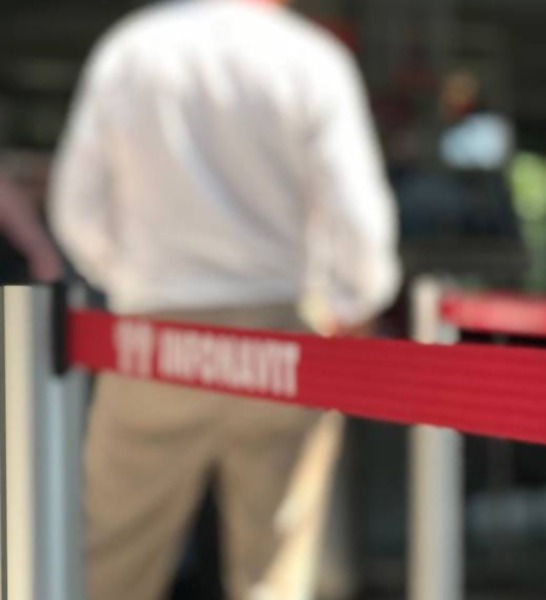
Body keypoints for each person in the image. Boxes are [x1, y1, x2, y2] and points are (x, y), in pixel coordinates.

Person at [49, 0, 400, 598]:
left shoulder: (132, 50)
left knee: (108, 563)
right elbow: (361, 222)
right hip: (281, 338)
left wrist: (135, 280)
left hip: (153, 338)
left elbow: (75, 209)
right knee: (275, 574)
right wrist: (350, 304)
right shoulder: (311, 60)